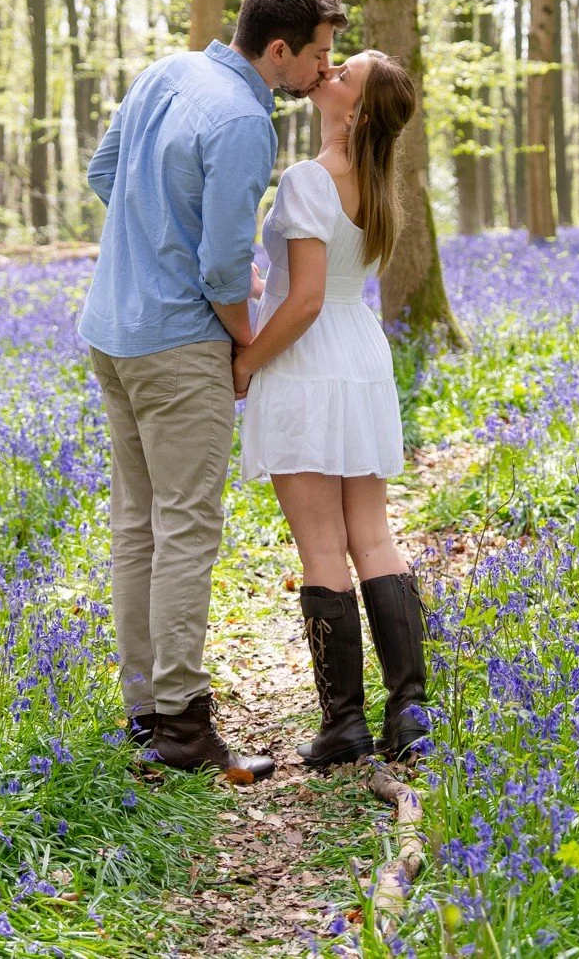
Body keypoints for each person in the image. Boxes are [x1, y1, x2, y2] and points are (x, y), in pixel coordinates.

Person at [80, 0, 348, 779]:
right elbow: (226, 265)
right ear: (278, 51)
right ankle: (186, 731)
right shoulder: (244, 122)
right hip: (176, 345)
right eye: (319, 56)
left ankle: (146, 713)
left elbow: (104, 173)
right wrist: (242, 344)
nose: (322, 72)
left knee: (139, 527)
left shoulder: (166, 70)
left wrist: (153, 236)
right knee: (187, 528)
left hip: (111, 328)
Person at [235, 50, 427, 767]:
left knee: (322, 547)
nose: (329, 74)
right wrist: (267, 280)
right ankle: (410, 713)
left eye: (344, 74)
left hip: (309, 362)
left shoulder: (311, 179)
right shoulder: (377, 187)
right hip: (361, 357)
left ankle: (343, 724)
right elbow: (317, 284)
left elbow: (306, 299)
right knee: (373, 536)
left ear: (359, 113)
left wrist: (249, 360)